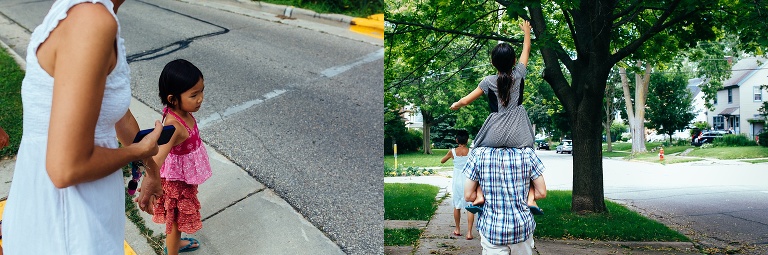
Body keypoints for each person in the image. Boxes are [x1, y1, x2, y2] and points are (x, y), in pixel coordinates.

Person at [2, 0, 165, 254]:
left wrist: (151, 170)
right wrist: (136, 152)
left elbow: (113, 115)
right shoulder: (91, 20)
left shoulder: (87, 11)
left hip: (58, 211)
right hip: (68, 225)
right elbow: (67, 168)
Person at [449, 20, 544, 215]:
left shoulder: (487, 81)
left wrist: (455, 105)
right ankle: (531, 199)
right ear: (514, 60)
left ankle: (479, 194)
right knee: (530, 159)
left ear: (492, 62)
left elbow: (466, 101)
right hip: (519, 132)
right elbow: (527, 48)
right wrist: (527, 32)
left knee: (477, 154)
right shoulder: (519, 74)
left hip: (494, 133)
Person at [150, 59, 212, 255]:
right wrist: (150, 184)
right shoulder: (174, 126)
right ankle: (172, 250)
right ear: (172, 99)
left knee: (178, 219)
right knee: (175, 221)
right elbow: (158, 158)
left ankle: (175, 245)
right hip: (176, 184)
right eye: (194, 95)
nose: (200, 98)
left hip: (184, 179)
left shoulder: (181, 112)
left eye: (201, 91)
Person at [440, 130, 475, 240]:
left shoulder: (452, 152)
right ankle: (469, 233)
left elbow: (442, 161)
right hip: (468, 180)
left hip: (457, 181)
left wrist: (450, 156)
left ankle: (458, 229)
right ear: (467, 139)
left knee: (457, 205)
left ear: (456, 140)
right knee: (470, 206)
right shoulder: (471, 151)